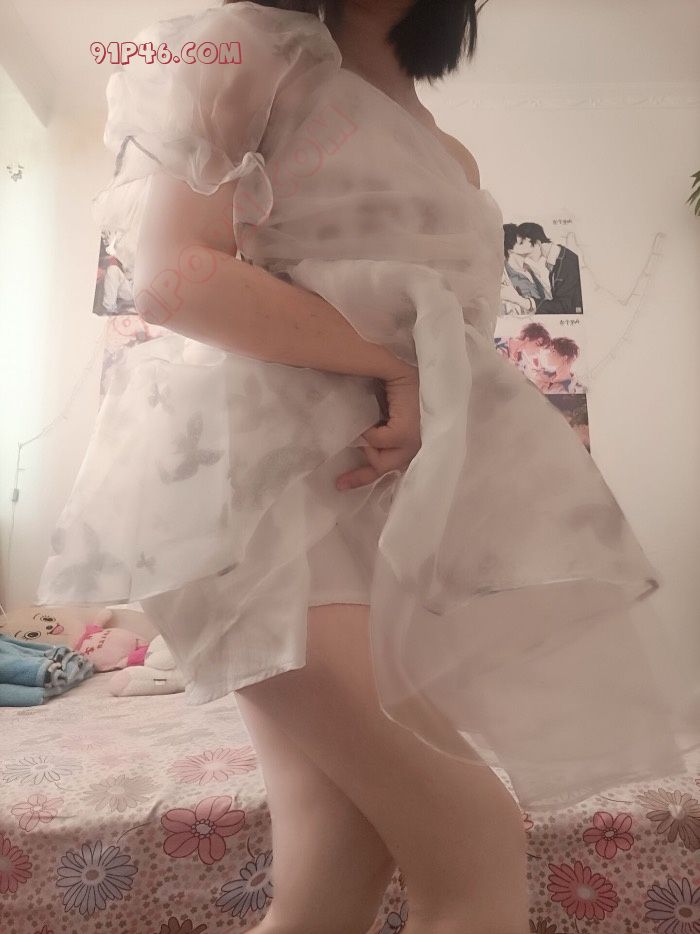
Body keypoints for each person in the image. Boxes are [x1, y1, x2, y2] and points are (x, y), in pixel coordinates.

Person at [35, 2, 699, 933]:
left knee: (333, 870)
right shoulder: (246, 45)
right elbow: (174, 275)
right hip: (254, 506)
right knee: (474, 835)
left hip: (362, 520)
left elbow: (449, 352)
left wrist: (421, 387)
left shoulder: (449, 153)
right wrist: (394, 365)